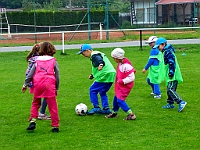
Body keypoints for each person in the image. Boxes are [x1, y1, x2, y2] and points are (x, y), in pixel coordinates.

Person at [22, 41, 60, 132]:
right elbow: (57, 76)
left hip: (38, 83)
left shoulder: (37, 61)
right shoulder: (53, 61)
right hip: (49, 84)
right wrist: (56, 88)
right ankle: (55, 126)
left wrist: (25, 84)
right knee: (53, 106)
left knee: (35, 103)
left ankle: (33, 121)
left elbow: (30, 74)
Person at [77, 44, 116, 115]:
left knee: (92, 90)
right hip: (111, 74)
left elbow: (99, 60)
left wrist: (101, 64)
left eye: (83, 53)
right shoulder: (97, 54)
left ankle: (96, 107)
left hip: (105, 74)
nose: (83, 55)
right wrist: (93, 75)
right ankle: (106, 108)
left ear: (87, 51)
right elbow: (96, 66)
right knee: (102, 92)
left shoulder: (94, 54)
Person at [153, 37, 187, 112]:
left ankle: (181, 102)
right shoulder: (165, 51)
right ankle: (170, 103)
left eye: (159, 46)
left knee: (170, 89)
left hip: (172, 73)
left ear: (163, 44)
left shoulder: (168, 52)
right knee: (170, 88)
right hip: (170, 73)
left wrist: (171, 73)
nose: (158, 48)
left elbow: (172, 63)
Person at [105, 48, 136, 120]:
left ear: (118, 58)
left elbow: (132, 77)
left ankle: (131, 114)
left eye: (114, 58)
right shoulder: (120, 63)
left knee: (120, 100)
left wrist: (123, 81)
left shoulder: (127, 66)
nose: (113, 60)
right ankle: (114, 112)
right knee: (116, 98)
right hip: (120, 85)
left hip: (125, 86)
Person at [25, 43, 51, 120]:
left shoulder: (32, 59)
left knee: (36, 99)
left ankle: (34, 115)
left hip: (32, 81)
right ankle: (41, 113)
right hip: (39, 81)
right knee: (47, 95)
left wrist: (25, 83)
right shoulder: (40, 60)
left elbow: (28, 72)